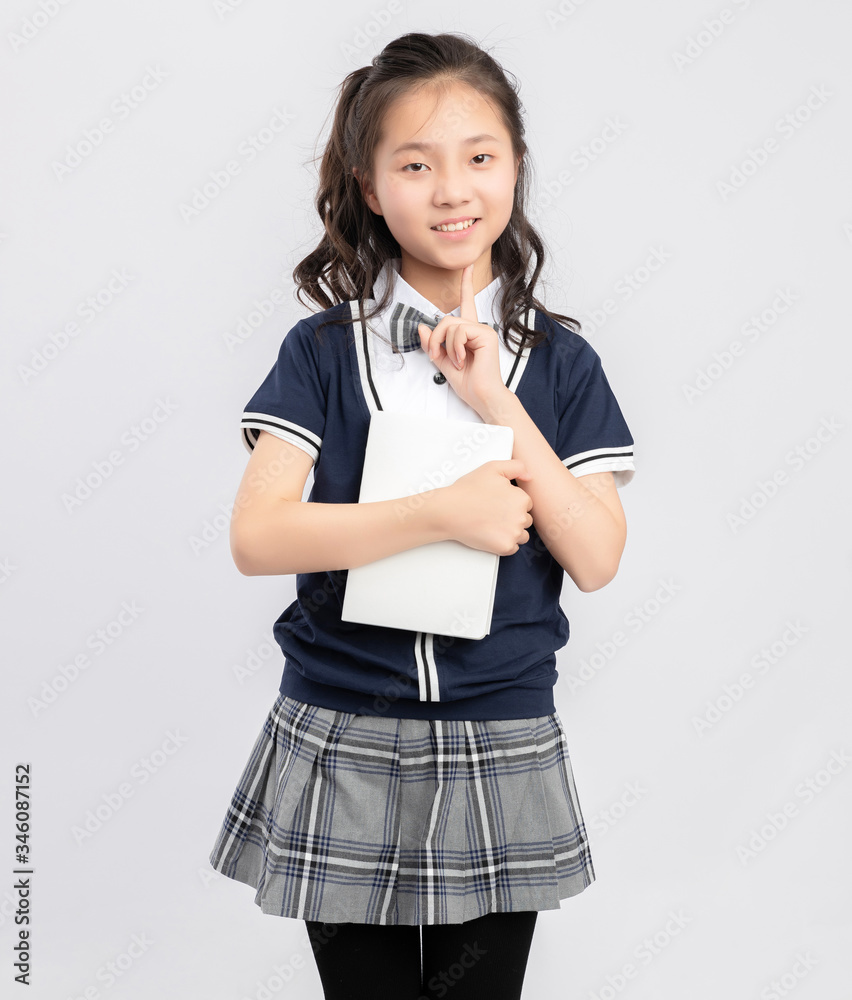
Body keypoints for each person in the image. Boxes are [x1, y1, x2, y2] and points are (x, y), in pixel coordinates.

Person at [208, 30, 636, 1000]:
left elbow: (598, 553)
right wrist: (441, 511)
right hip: (342, 731)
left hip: (500, 734)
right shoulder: (321, 352)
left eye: (479, 158)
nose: (452, 190)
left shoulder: (561, 366)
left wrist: (499, 405)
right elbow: (258, 535)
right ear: (368, 185)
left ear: (515, 167)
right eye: (416, 164)